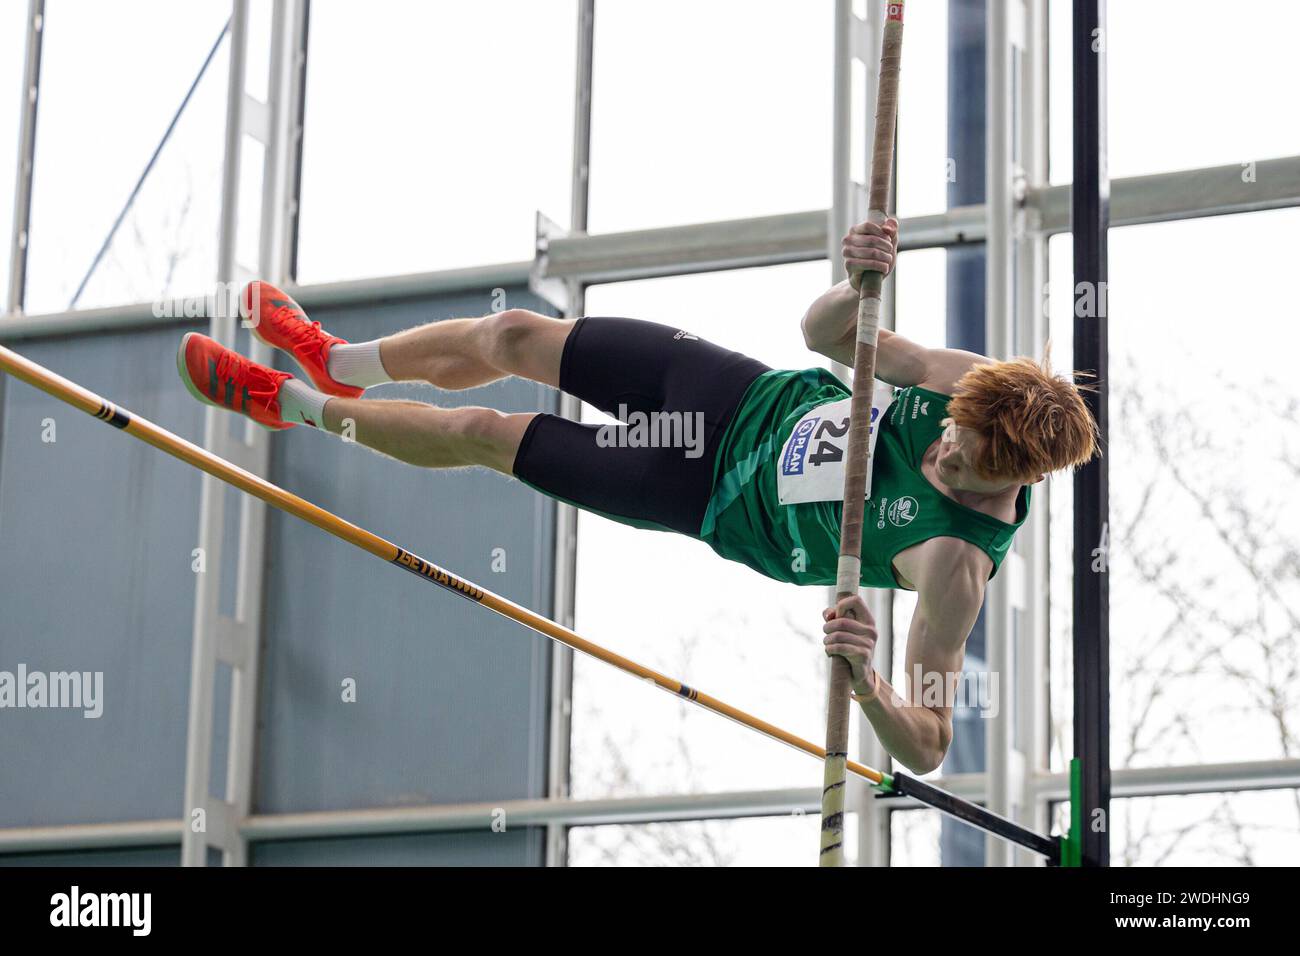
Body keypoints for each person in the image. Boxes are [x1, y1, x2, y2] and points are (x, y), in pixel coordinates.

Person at [176, 218, 1097, 773]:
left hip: (701, 491)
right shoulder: (967, 386)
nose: (942, 453)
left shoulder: (953, 569)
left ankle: (286, 406)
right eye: (949, 435)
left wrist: (868, 682)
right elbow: (825, 335)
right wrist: (854, 280)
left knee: (486, 437)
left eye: (962, 466)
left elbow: (931, 743)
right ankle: (331, 361)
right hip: (730, 394)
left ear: (1012, 480)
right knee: (513, 334)